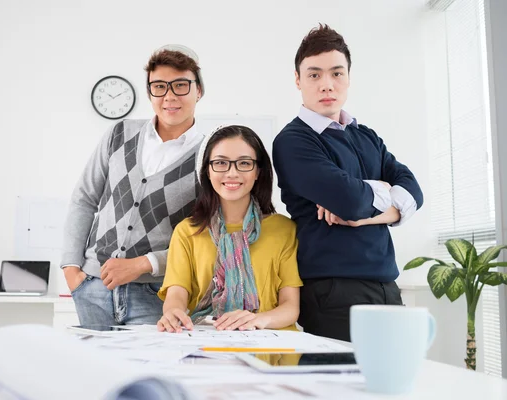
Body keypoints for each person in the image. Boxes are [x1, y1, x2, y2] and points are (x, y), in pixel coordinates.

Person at [272, 24, 424, 341]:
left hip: (387, 285)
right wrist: (383, 192)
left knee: (389, 388)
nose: (327, 84)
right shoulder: (293, 141)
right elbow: (350, 201)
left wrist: (378, 213)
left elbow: (413, 189)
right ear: (298, 81)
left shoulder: (366, 136)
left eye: (336, 73)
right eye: (314, 75)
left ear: (348, 78)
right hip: (333, 291)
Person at [60, 44, 205, 327]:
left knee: (149, 371)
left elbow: (205, 237)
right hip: (93, 286)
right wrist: (71, 270)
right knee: (95, 370)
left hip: (158, 294)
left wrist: (143, 264)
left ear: (198, 91)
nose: (170, 96)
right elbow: (84, 199)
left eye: (181, 85)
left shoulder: (208, 154)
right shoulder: (120, 133)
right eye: (159, 87)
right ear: (150, 92)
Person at [157, 125, 302, 333]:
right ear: (207, 170)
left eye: (244, 163)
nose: (232, 173)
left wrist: (256, 320)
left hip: (272, 344)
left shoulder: (284, 229)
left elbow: (290, 306)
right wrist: (173, 313)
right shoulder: (187, 231)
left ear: (258, 172)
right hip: (208, 341)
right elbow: (176, 295)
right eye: (221, 163)